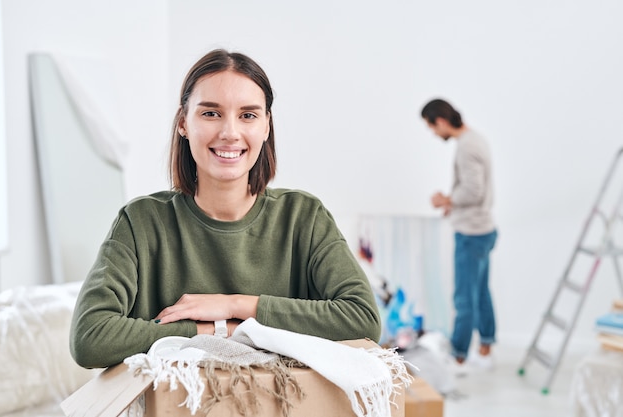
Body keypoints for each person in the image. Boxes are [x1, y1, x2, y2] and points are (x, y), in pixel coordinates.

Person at [70, 49, 381, 369]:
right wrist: (214, 330)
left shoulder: (304, 217)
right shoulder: (141, 222)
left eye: (248, 115)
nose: (229, 133)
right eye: (211, 113)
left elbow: (362, 319)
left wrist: (233, 306)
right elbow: (90, 338)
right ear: (183, 123)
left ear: (266, 126)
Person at [421, 98, 498, 368]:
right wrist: (453, 205)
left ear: (440, 121)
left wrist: (446, 199)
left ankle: (459, 355)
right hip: (483, 228)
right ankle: (486, 345)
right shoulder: (475, 139)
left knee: (464, 297)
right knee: (480, 292)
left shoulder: (467, 147)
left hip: (471, 233)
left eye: (432, 128)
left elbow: (473, 191)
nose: (434, 133)